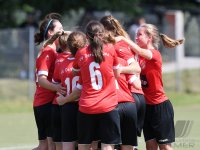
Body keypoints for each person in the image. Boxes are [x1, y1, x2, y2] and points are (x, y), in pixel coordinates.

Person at [116, 23, 184, 150]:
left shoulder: (155, 54)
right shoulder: (138, 57)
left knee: (165, 147)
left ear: (149, 38)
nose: (136, 37)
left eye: (139, 35)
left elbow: (140, 50)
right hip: (147, 107)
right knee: (150, 146)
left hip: (160, 106)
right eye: (135, 35)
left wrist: (124, 39)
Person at [57, 21, 122, 150]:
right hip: (108, 106)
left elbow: (76, 71)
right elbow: (117, 74)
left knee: (84, 146)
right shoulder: (110, 49)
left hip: (87, 106)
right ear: (103, 35)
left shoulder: (81, 53)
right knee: (107, 146)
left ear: (87, 36)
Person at [100, 15, 146, 139]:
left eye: (102, 31)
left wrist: (118, 70)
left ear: (110, 31)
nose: (100, 34)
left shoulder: (119, 45)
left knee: (123, 142)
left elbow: (136, 68)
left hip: (131, 95)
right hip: (121, 96)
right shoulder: (107, 45)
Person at [33, 13, 65, 150]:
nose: (63, 32)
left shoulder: (52, 50)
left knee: (47, 145)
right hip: (44, 103)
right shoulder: (49, 52)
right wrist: (57, 88)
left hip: (46, 102)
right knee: (46, 145)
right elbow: (42, 80)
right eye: (60, 29)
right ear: (51, 32)